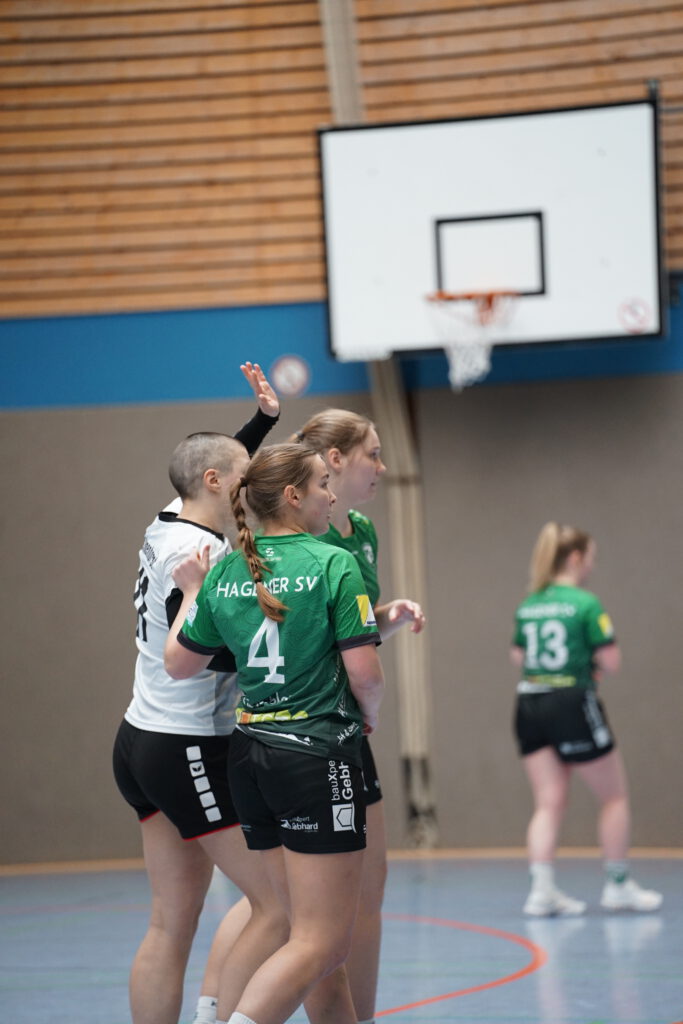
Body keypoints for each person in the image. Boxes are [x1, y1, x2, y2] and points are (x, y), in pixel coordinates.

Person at [195, 409, 425, 1024]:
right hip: (318, 738)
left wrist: (384, 618)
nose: (381, 466)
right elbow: (360, 669)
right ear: (325, 469)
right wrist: (367, 709)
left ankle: (218, 1010)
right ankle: (217, 1010)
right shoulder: (321, 556)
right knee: (309, 931)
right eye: (371, 453)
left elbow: (188, 655)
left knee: (306, 918)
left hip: (259, 742)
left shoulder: (337, 540)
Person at [164, 442, 386, 1024]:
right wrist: (370, 714)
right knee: (322, 944)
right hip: (316, 756)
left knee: (307, 944)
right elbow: (365, 673)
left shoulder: (228, 568)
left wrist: (193, 595)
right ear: (292, 495)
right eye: (321, 484)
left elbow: (179, 663)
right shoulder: (332, 563)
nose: (331, 495)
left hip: (250, 759)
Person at [113, 364, 287, 1024]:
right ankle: (221, 1015)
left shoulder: (167, 521)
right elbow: (194, 657)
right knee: (279, 908)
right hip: (185, 744)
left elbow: (216, 464)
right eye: (246, 472)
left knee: (171, 922)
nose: (255, 479)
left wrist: (263, 421)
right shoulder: (198, 555)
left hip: (139, 739)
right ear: (215, 483)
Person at [510, 521, 663, 917]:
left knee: (548, 802)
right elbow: (611, 661)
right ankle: (618, 885)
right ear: (576, 558)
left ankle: (541, 891)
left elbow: (518, 657)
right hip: (571, 701)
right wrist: (589, 664)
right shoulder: (586, 604)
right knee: (614, 796)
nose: (593, 566)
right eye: (591, 558)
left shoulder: (529, 604)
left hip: (529, 702)